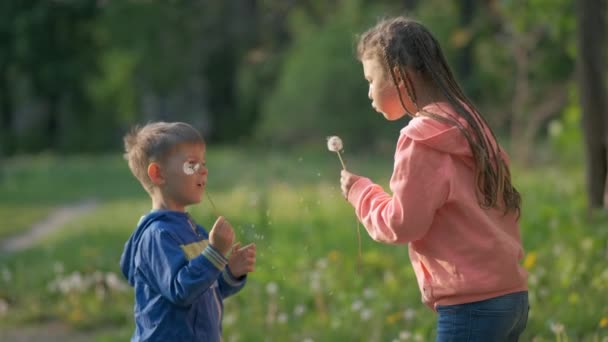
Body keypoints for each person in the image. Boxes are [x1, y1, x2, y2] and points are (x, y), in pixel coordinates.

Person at [339, 17, 528, 341]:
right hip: (512, 298)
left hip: (470, 306)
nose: (369, 92)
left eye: (371, 80)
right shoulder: (470, 123)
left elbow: (403, 224)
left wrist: (362, 193)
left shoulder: (420, 139)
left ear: (399, 76)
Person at [120, 121, 256, 341]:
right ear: (158, 174)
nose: (203, 170)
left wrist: (229, 272)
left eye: (203, 163)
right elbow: (181, 290)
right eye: (192, 164)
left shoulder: (194, 230)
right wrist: (214, 253)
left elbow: (205, 290)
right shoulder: (157, 236)